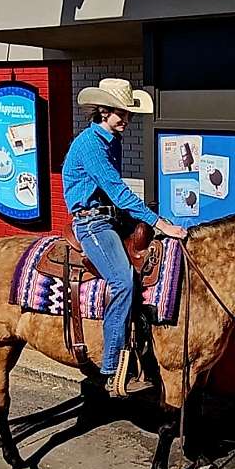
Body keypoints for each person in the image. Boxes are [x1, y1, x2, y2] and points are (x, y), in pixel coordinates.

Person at [62, 78, 187, 395]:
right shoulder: (90, 145)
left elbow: (115, 196)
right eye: (122, 114)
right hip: (92, 222)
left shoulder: (111, 142)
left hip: (112, 217)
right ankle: (109, 367)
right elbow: (117, 192)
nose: (127, 120)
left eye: (129, 114)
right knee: (122, 280)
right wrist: (161, 222)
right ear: (103, 111)